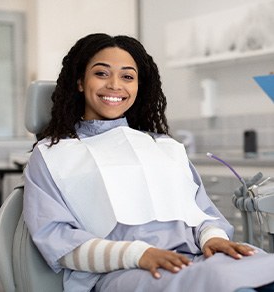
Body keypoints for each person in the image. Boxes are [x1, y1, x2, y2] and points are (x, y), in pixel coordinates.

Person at [23, 33, 274, 292]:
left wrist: (214, 239)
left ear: (138, 86)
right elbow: (57, 240)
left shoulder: (164, 146)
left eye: (128, 77)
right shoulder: (52, 155)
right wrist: (137, 255)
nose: (115, 85)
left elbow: (204, 213)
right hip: (125, 271)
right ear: (79, 82)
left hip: (202, 258)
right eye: (101, 74)